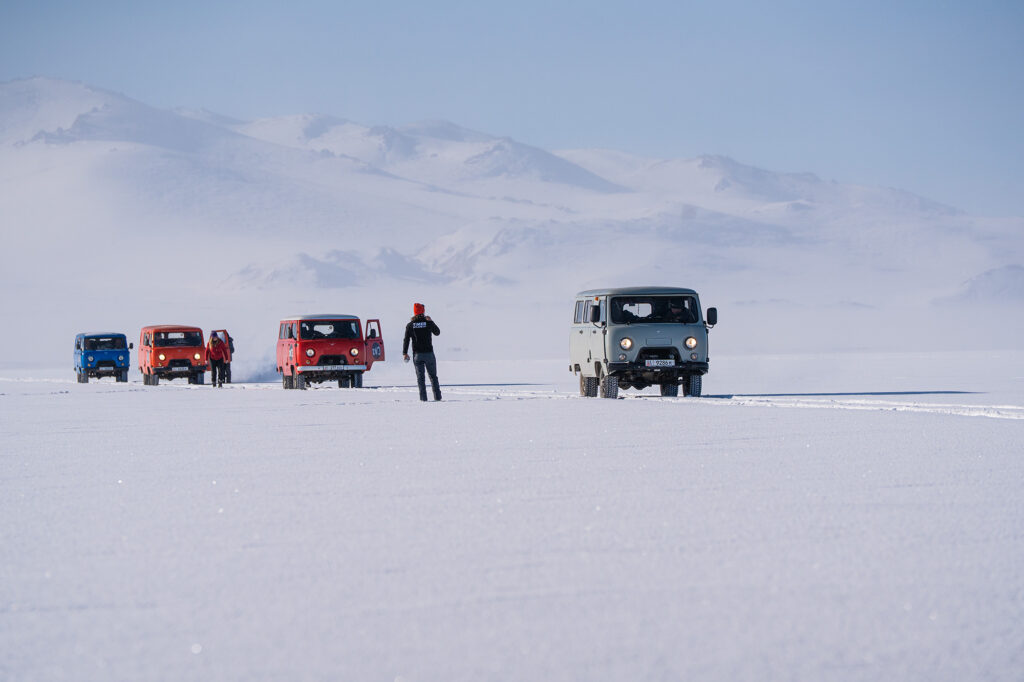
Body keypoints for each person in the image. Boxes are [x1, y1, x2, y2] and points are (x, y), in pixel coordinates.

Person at [402, 302, 442, 401]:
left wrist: (405, 353)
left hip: (417, 355)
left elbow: (406, 340)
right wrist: (431, 321)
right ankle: (438, 398)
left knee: (420, 379)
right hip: (429, 354)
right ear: (422, 311)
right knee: (433, 377)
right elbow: (437, 332)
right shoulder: (428, 322)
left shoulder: (410, 325)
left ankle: (423, 400)